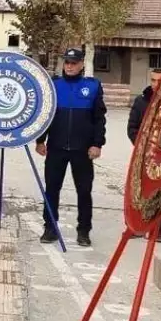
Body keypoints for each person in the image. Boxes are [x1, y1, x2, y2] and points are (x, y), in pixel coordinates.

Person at [36, 48, 106, 247]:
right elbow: (45, 116)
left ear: (82, 64)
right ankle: (50, 228)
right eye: (67, 62)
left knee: (84, 191)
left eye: (74, 63)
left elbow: (99, 119)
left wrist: (97, 144)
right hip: (56, 148)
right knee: (52, 189)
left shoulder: (92, 86)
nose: (70, 66)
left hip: (83, 150)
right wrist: (40, 141)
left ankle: (83, 231)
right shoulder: (54, 85)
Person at [126, 69, 161, 243]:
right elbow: (132, 128)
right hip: (143, 156)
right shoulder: (140, 101)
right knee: (139, 191)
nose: (156, 84)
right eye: (153, 80)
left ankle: (159, 230)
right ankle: (137, 226)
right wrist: (143, 148)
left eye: (159, 80)